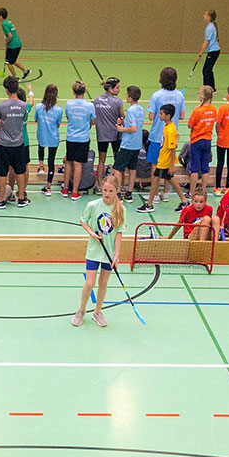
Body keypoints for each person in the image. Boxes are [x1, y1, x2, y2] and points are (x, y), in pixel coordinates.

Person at [74, 174, 125, 328]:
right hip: (94, 251)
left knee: (103, 283)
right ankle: (81, 310)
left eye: (110, 191)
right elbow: (83, 221)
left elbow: (119, 234)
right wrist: (92, 234)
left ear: (116, 190)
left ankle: (98, 311)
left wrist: (116, 255)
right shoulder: (92, 205)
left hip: (108, 253)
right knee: (90, 283)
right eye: (104, 190)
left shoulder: (120, 209)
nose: (107, 194)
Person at [0, 77, 31, 206]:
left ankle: (0, 200)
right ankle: (21, 198)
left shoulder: (1, 106)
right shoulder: (24, 106)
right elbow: (23, 119)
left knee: (3, 172)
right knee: (20, 170)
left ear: (6, 90)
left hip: (4, 144)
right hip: (19, 143)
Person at [146, 67, 185, 181]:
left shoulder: (156, 95)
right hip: (171, 136)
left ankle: (155, 193)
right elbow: (182, 116)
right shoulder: (180, 95)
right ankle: (165, 192)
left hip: (157, 136)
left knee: (155, 164)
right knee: (168, 164)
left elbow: (151, 116)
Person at [62, 80, 97, 200]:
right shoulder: (90, 106)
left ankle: (65, 189)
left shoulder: (69, 104)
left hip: (71, 137)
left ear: (73, 92)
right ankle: (75, 192)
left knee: (68, 162)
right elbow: (93, 121)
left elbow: (68, 117)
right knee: (78, 164)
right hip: (83, 138)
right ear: (85, 91)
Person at [142, 103, 180, 212]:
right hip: (162, 158)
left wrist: (171, 166)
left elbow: (172, 149)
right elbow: (176, 137)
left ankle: (149, 204)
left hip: (165, 160)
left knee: (157, 179)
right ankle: (184, 201)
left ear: (168, 116)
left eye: (161, 114)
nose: (159, 115)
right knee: (167, 179)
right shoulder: (167, 126)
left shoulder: (170, 129)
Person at [185, 85, 218, 199]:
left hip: (197, 140)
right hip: (207, 140)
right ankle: (203, 191)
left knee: (194, 168)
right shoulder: (214, 109)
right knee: (205, 167)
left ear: (203, 96)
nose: (198, 95)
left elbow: (190, 125)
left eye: (199, 93)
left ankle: (192, 192)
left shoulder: (197, 110)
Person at [31, 83, 64, 195]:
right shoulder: (59, 110)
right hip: (53, 137)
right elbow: (58, 124)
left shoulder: (38, 107)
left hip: (42, 134)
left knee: (41, 148)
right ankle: (48, 187)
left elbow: (36, 120)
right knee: (51, 160)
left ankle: (40, 166)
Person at [114, 85, 145, 202]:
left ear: (130, 98)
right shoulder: (140, 109)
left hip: (128, 144)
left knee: (117, 168)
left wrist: (122, 129)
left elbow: (133, 128)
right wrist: (124, 122)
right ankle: (129, 193)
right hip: (137, 144)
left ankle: (118, 194)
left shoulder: (131, 110)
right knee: (132, 169)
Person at [92, 77, 123, 192]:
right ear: (110, 89)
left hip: (102, 134)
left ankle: (99, 184)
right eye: (117, 88)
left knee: (101, 160)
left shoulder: (97, 100)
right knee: (117, 161)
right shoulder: (118, 102)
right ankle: (118, 186)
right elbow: (122, 117)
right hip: (115, 135)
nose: (119, 90)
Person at [195, 10, 221, 89]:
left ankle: (207, 90)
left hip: (213, 51)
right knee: (208, 70)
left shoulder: (210, 28)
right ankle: (212, 88)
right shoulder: (211, 26)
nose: (204, 16)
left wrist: (200, 54)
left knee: (206, 71)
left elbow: (205, 43)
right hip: (214, 51)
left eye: (205, 14)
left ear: (209, 17)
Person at [0, 7, 22, 79]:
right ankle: (25, 71)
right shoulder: (8, 22)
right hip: (18, 43)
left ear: (0, 16)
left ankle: (15, 77)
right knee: (13, 61)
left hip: (13, 45)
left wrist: (6, 43)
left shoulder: (4, 24)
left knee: (8, 62)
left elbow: (9, 36)